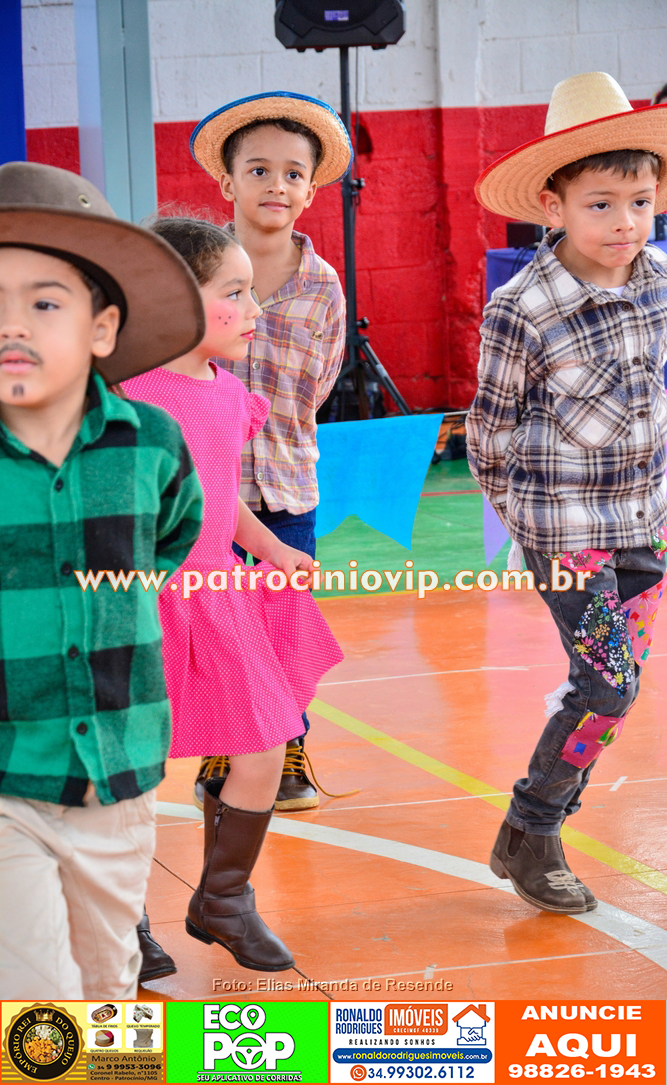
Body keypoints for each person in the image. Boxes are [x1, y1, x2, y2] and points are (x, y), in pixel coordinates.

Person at [0, 161, 205, 998]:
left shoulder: (151, 441)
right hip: (8, 772)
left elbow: (173, 531)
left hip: (118, 770)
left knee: (106, 977)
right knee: (34, 994)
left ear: (102, 326)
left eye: (45, 303)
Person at [467, 72, 667, 915]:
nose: (624, 222)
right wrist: (534, 530)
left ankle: (527, 831)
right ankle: (534, 827)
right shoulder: (521, 307)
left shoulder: (656, 279)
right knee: (608, 686)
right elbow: (489, 432)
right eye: (600, 205)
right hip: (568, 534)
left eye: (640, 201)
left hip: (645, 524)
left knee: (611, 690)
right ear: (552, 206)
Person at [124, 217, 343, 973]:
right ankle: (123, 915)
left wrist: (271, 546)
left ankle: (223, 898)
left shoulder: (226, 393)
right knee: (135, 765)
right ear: (176, 299)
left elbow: (219, 496)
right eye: (236, 293)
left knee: (264, 744)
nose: (255, 310)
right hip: (143, 601)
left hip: (219, 593)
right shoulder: (128, 400)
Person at [188, 92, 352, 812]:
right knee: (217, 627)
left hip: (286, 486)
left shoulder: (324, 287)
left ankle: (287, 746)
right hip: (204, 493)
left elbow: (321, 381)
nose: (275, 185)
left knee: (283, 625)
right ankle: (222, 745)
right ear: (227, 182)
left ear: (311, 191)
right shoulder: (194, 273)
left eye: (293, 173)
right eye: (258, 170)